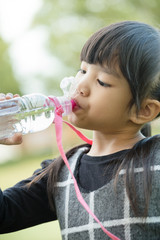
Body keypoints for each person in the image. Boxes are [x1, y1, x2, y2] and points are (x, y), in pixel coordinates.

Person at [0, 20, 160, 240]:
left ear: (143, 110)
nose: (81, 86)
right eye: (82, 70)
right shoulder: (60, 174)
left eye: (102, 81)